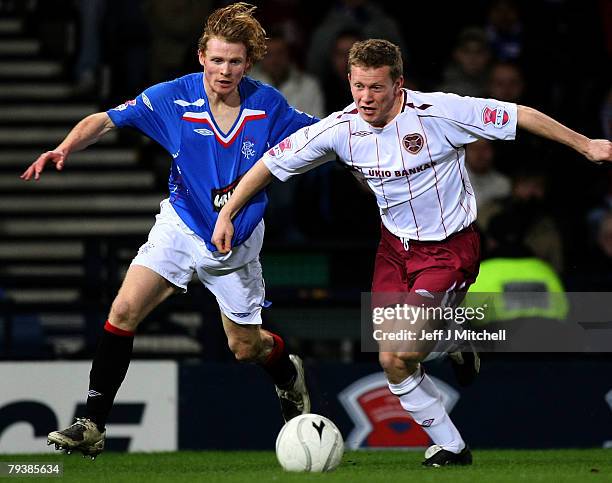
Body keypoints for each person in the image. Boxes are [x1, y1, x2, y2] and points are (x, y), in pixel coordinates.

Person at [212, 39, 612, 467]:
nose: (365, 98)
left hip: (448, 250)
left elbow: (520, 115)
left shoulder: (442, 113)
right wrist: (229, 212)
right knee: (394, 361)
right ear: (348, 80)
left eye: (377, 88)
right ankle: (452, 444)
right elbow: (272, 163)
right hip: (393, 252)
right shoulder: (339, 129)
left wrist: (585, 144)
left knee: (400, 349)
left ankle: (453, 338)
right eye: (358, 86)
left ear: (399, 84)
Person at [21, 3, 316, 458]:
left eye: (235, 61)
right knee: (123, 310)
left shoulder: (267, 105)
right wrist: (63, 148)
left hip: (234, 243)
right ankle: (93, 424)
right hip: (179, 226)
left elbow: (324, 136)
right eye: (217, 59)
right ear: (201, 56)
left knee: (245, 347)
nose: (225, 69)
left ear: (247, 63)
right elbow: (105, 119)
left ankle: (286, 372)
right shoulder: (172, 98)